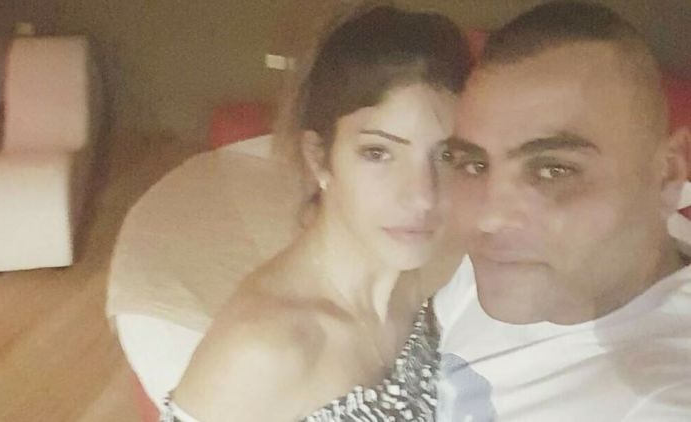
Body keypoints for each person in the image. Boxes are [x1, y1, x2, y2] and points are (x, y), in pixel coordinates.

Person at [164, 4, 471, 421]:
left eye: (446, 154)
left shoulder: (429, 275)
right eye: (378, 152)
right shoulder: (263, 351)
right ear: (319, 158)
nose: (422, 196)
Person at [434, 1, 691, 420]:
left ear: (668, 175)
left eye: (553, 170)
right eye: (474, 164)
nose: (487, 219)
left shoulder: (665, 396)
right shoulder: (479, 266)